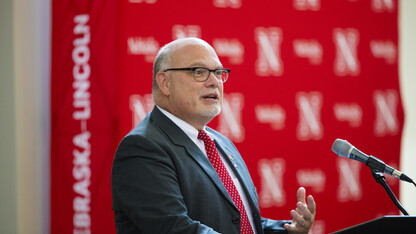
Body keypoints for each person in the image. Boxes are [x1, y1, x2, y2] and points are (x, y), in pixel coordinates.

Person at [111, 37, 316, 234]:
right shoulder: (142, 148)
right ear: (165, 82)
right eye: (199, 72)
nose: (214, 81)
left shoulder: (221, 143)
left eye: (218, 72)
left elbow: (242, 223)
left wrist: (287, 230)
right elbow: (175, 228)